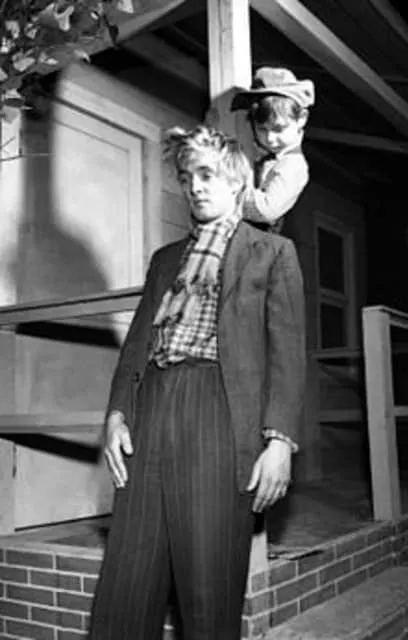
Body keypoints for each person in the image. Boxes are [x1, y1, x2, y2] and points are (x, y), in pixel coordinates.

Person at [89, 124, 306, 640]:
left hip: (219, 412)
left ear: (236, 180)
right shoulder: (166, 260)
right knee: (127, 583)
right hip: (151, 410)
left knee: (208, 587)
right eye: (187, 178)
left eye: (207, 175)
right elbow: (137, 345)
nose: (195, 187)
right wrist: (117, 415)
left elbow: (288, 354)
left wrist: (279, 442)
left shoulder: (272, 252)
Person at [231, 66, 315, 233]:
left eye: (278, 129)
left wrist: (228, 193)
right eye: (262, 129)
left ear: (301, 119)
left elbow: (267, 209)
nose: (269, 138)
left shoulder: (293, 164)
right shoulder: (257, 149)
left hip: (259, 241)